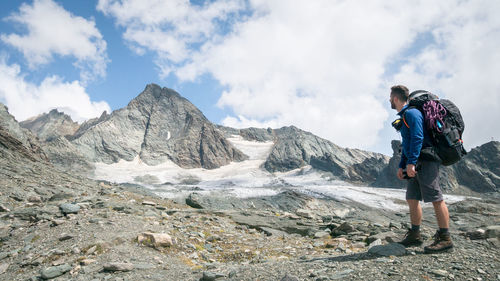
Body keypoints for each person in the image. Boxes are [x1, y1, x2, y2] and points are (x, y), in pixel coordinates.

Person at [389, 85, 453, 253]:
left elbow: (417, 137)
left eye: (390, 97)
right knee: (412, 198)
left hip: (426, 160)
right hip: (416, 161)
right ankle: (415, 235)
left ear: (395, 98)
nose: (389, 100)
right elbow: (407, 143)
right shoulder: (405, 115)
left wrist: (411, 162)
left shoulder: (411, 113)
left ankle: (445, 239)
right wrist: (402, 165)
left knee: (435, 197)